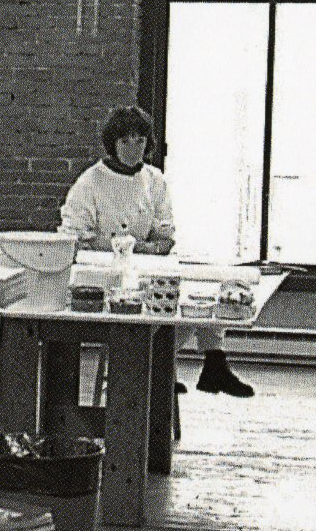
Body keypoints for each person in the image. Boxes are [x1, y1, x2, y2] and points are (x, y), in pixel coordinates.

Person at [60, 106, 253, 397]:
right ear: (113, 143)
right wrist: (122, 249)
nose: (133, 149)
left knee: (189, 296)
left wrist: (146, 248)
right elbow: (75, 240)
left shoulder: (154, 180)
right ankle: (150, 369)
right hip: (101, 272)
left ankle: (210, 363)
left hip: (145, 268)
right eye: (125, 141)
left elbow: (165, 235)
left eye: (139, 141)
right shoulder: (90, 182)